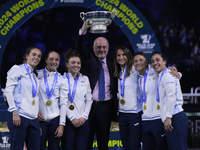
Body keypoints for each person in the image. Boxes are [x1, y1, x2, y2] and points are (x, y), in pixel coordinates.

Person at [75, 22, 118, 150]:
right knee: (86, 143)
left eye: (104, 47)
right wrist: (83, 29)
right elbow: (79, 46)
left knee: (103, 143)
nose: (101, 49)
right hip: (88, 108)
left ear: (108, 48)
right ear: (93, 48)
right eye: (98, 47)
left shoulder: (112, 65)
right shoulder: (88, 59)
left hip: (106, 108)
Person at [133, 51, 181, 150]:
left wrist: (178, 74)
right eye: (136, 61)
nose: (139, 63)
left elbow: (169, 73)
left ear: (147, 62)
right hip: (145, 119)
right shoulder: (136, 75)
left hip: (158, 118)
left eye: (141, 60)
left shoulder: (155, 70)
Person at [5, 47, 42, 150]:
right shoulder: (17, 69)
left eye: (39, 56)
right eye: (34, 54)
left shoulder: (35, 75)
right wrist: (14, 111)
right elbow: (8, 91)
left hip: (33, 118)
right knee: (16, 147)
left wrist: (36, 117)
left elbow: (34, 97)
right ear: (27, 56)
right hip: (19, 115)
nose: (36, 57)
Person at [151, 52, 188, 150]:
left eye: (158, 60)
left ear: (164, 61)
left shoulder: (167, 75)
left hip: (175, 116)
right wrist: (179, 74)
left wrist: (168, 117)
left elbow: (171, 97)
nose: (155, 63)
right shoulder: (163, 75)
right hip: (173, 116)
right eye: (153, 61)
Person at [61, 49, 93, 150]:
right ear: (67, 64)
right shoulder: (61, 79)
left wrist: (84, 117)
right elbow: (62, 102)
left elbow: (89, 100)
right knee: (68, 147)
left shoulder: (85, 79)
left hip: (83, 121)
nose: (76, 65)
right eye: (73, 62)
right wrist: (72, 118)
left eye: (78, 63)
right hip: (68, 121)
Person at [37, 51, 68, 150]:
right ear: (46, 60)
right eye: (51, 59)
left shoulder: (62, 79)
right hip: (39, 119)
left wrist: (61, 124)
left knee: (54, 148)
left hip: (55, 119)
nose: (54, 62)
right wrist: (35, 112)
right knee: (38, 147)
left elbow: (63, 103)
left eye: (57, 60)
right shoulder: (36, 74)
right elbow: (31, 96)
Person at [113, 45, 142, 150]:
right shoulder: (118, 71)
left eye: (123, 54)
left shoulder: (136, 68)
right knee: (126, 145)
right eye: (118, 55)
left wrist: (176, 73)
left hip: (134, 113)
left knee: (134, 146)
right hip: (122, 114)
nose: (121, 57)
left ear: (128, 55)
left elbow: (153, 71)